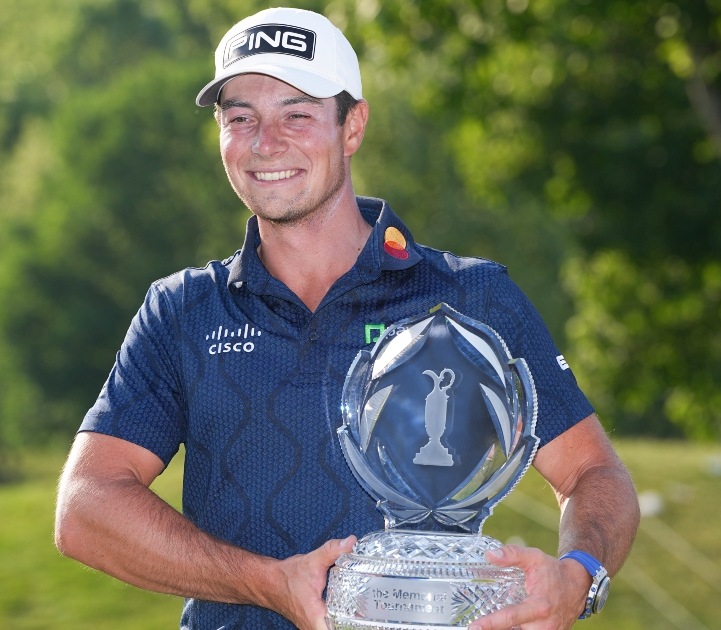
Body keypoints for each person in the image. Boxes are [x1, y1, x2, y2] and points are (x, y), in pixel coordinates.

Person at [54, 7, 639, 630]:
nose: (264, 143)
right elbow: (86, 509)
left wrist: (578, 577)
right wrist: (268, 583)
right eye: (240, 118)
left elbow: (593, 472)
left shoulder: (472, 296)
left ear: (352, 126)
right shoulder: (182, 311)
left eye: (297, 115)